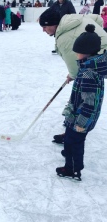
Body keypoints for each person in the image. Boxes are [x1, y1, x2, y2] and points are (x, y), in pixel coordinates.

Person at [39, 9, 107, 144]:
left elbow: (76, 69)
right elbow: (97, 19)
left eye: (45, 27)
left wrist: (72, 75)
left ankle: (74, 133)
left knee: (84, 97)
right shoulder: (71, 18)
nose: (43, 30)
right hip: (100, 55)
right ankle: (72, 128)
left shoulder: (64, 39)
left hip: (98, 61)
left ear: (53, 24)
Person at [56, 24, 107, 181]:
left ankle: (72, 168)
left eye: (77, 51)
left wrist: (81, 123)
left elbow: (90, 103)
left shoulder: (88, 73)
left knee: (73, 142)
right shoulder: (90, 67)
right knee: (73, 141)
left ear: (84, 52)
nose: (75, 54)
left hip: (81, 117)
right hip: (78, 113)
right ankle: (71, 157)